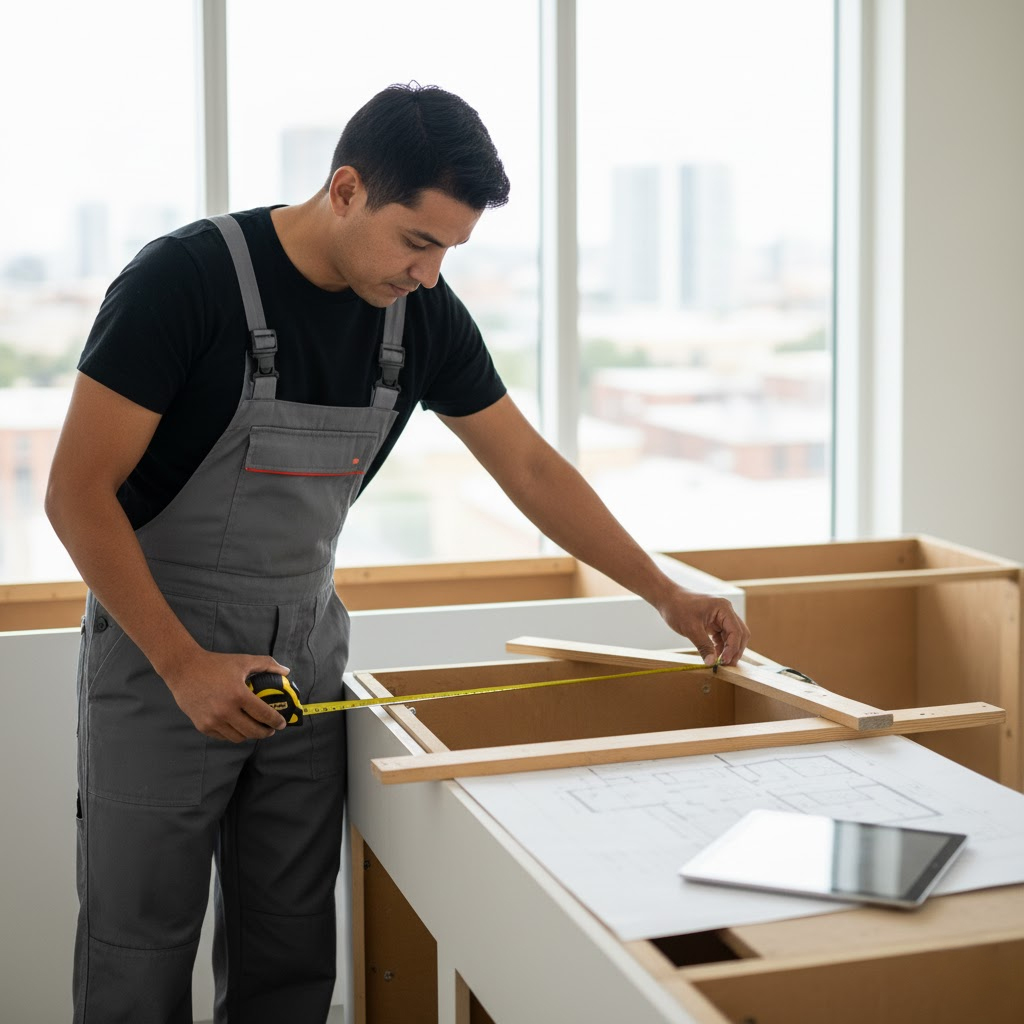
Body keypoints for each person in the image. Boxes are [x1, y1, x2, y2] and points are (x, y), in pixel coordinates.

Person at [46, 83, 750, 1023]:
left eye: (450, 251)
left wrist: (665, 593)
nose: (428, 273)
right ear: (345, 189)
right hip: (159, 648)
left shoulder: (419, 315)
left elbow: (530, 468)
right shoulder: (185, 281)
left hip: (306, 655)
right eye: (418, 242)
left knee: (290, 947)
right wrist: (182, 666)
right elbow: (75, 493)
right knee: (140, 946)